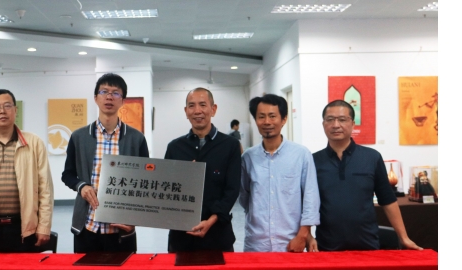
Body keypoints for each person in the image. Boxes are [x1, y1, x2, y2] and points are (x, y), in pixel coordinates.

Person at [309, 100, 423, 251]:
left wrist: (403, 237)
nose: (336, 125)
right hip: (326, 246)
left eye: (342, 119)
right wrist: (307, 236)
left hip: (367, 245)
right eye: (330, 119)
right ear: (323, 124)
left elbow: (387, 200)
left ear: (353, 124)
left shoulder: (371, 157)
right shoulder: (313, 161)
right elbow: (304, 204)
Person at [61, 73, 149, 253]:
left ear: (122, 101)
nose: (109, 97)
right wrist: (82, 186)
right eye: (104, 92)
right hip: (87, 226)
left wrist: (135, 218)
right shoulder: (78, 137)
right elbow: (67, 174)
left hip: (121, 228)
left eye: (115, 93)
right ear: (96, 98)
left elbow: (145, 180)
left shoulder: (137, 139)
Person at [0, 89, 54, 253]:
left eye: (7, 106)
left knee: (25, 269)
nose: (2, 111)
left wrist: (44, 226)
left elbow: (45, 189)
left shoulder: (34, 143)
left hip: (25, 228)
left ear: (15, 110)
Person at [164, 88, 241, 252]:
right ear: (186, 111)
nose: (197, 111)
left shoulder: (230, 146)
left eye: (203, 105)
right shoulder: (174, 148)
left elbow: (232, 190)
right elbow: (165, 188)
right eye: (191, 106)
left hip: (218, 235)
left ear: (213, 109)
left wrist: (211, 220)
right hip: (181, 237)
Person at [240, 94, 319, 252]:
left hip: (290, 243)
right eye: (261, 117)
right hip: (256, 243)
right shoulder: (248, 157)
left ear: (284, 119)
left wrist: (303, 235)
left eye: (272, 116)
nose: (267, 122)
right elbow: (244, 197)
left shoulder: (301, 155)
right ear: (255, 120)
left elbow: (310, 197)